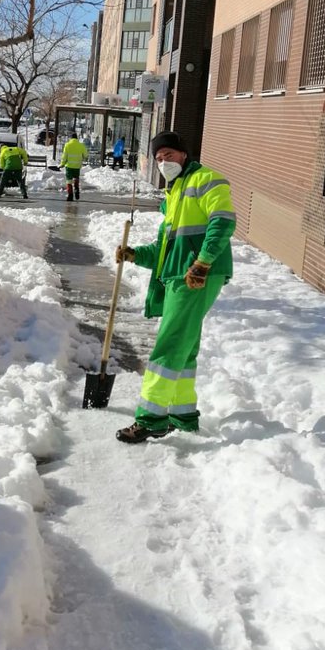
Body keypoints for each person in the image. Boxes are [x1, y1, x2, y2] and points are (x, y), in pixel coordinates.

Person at [114, 130, 236, 444]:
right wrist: (133, 254)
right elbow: (163, 250)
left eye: (168, 154)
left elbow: (222, 222)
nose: (163, 161)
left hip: (196, 275)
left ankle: (151, 419)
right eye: (158, 158)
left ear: (183, 154)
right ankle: (182, 416)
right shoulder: (174, 195)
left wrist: (203, 261)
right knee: (184, 348)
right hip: (179, 276)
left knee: (168, 348)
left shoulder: (207, 180)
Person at [60, 132, 88, 201]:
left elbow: (64, 156)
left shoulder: (67, 145)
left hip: (69, 166)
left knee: (69, 181)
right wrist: (82, 159)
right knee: (76, 179)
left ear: (71, 138)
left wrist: (62, 164)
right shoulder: (81, 145)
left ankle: (70, 195)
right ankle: (76, 190)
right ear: (77, 138)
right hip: (77, 166)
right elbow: (86, 155)